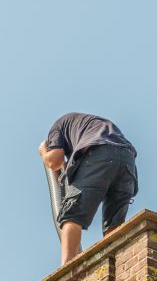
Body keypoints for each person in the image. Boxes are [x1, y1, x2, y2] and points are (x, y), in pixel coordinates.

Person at [38, 112, 139, 265]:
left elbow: (54, 161)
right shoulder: (90, 125)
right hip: (127, 161)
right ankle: (114, 266)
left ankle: (67, 270)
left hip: (98, 154)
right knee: (114, 225)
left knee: (71, 215)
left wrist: (44, 152)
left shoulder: (58, 126)